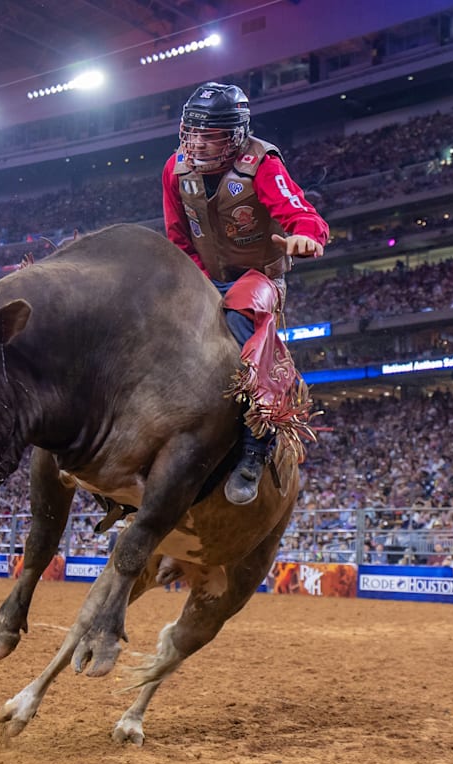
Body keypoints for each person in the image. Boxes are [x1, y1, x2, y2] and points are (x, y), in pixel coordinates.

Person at [163, 81, 330, 506]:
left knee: (242, 332)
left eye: (210, 135)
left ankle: (256, 448)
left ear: (236, 135)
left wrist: (305, 238)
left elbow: (303, 214)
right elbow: (178, 236)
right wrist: (195, 285)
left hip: (259, 278)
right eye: (192, 133)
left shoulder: (263, 164)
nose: (198, 143)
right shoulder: (174, 170)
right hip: (203, 277)